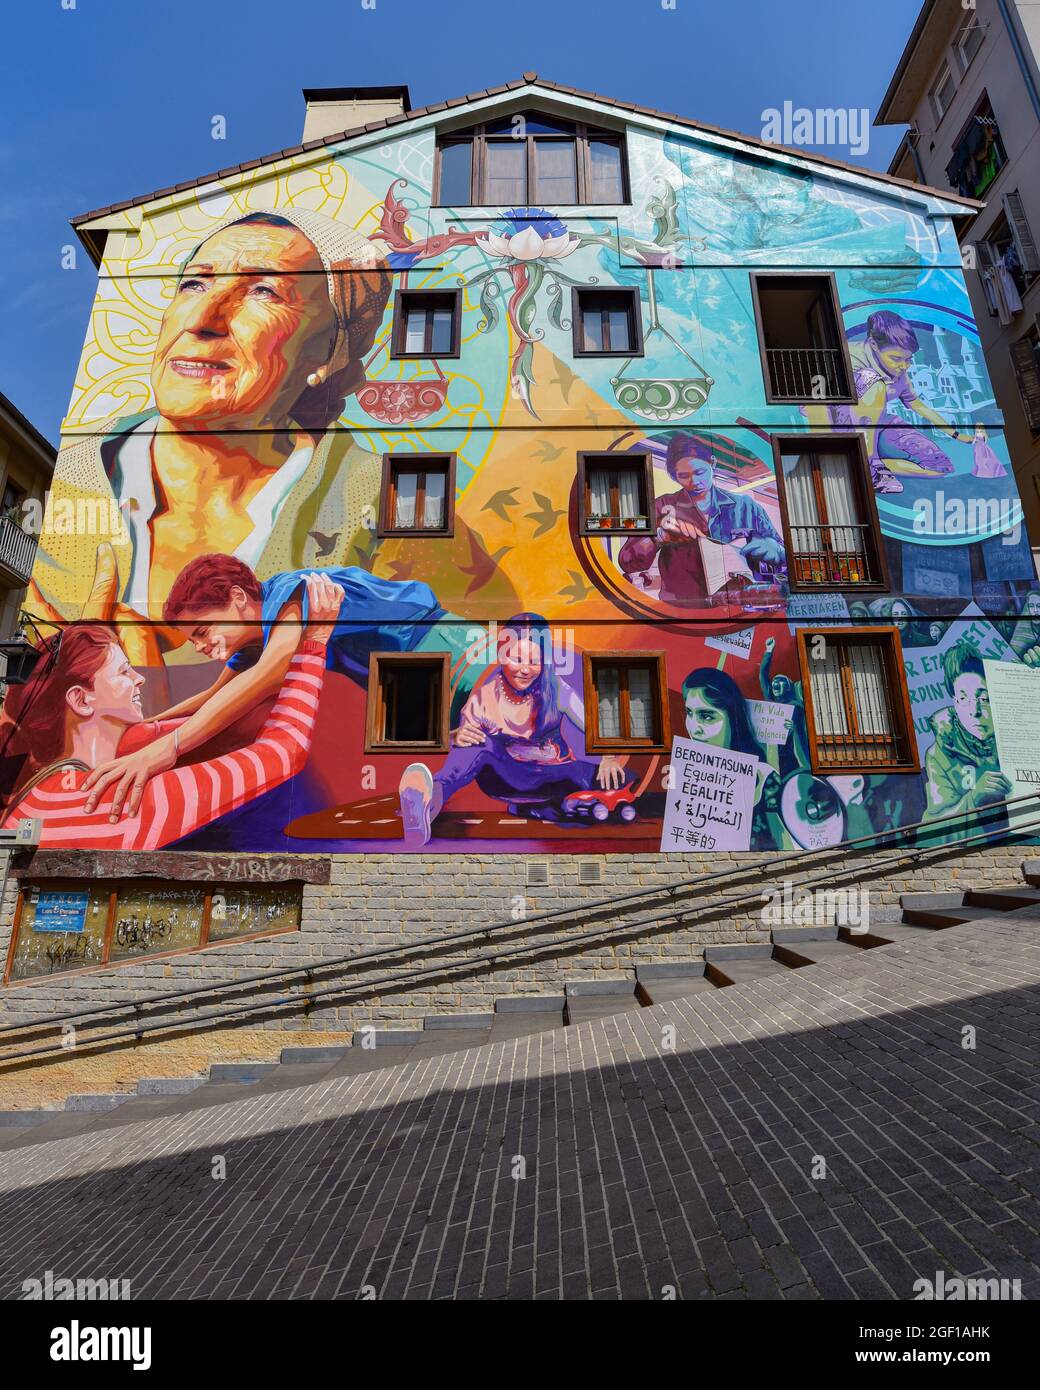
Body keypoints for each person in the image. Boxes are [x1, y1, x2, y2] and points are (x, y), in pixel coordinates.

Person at [33, 208, 392, 625]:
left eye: (263, 292)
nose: (203, 320)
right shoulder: (80, 477)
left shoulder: (371, 497)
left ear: (330, 352)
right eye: (194, 284)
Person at [78, 553, 487, 819]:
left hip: (451, 650)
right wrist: (147, 727)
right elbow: (213, 696)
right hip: (414, 685)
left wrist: (165, 749)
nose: (201, 647)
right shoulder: (257, 639)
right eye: (194, 641)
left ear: (238, 597)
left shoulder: (295, 592)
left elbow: (271, 672)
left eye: (203, 631)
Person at [1, 573, 343, 850]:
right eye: (123, 671)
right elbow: (282, 753)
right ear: (80, 699)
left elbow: (202, 712)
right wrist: (314, 641)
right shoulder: (139, 801)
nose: (139, 679)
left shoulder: (34, 796)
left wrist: (162, 729)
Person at [397, 614, 628, 848]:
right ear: (502, 657)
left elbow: (591, 723)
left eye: (533, 662)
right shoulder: (485, 697)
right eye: (517, 659)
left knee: (621, 778)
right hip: (507, 778)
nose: (525, 670)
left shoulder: (557, 689)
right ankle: (427, 800)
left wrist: (608, 757)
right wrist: (455, 735)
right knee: (479, 743)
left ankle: (535, 808)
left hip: (556, 777)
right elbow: (465, 748)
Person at [815, 310, 974, 495]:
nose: (903, 366)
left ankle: (865, 466)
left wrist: (956, 435)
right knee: (873, 382)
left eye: (908, 360)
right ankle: (868, 460)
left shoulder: (900, 374)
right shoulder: (846, 356)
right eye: (896, 359)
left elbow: (918, 405)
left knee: (940, 466)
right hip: (838, 422)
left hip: (877, 425)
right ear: (873, 344)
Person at [618, 435, 785, 605]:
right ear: (674, 476)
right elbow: (628, 562)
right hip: (683, 609)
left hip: (739, 606)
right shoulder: (661, 506)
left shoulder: (746, 506)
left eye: (700, 472)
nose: (695, 481)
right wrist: (659, 537)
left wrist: (777, 551)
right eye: (684, 475)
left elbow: (784, 558)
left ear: (712, 463)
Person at [920, 642, 1011, 844]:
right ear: (954, 702)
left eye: (984, 698)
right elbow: (932, 835)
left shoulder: (1016, 736)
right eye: (963, 699)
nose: (974, 711)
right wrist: (975, 797)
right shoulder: (940, 753)